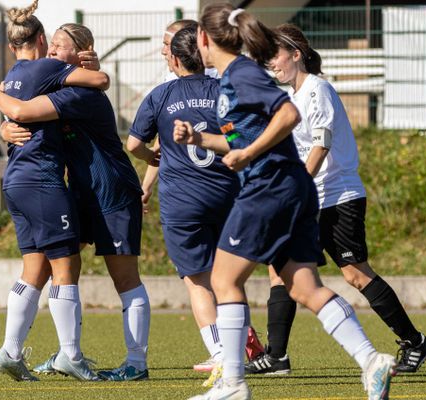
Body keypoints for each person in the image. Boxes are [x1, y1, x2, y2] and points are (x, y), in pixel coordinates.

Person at [175, 4, 396, 400]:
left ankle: (233, 385)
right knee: (304, 287)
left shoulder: (241, 73)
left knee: (224, 280)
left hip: (269, 188)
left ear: (205, 39)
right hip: (289, 188)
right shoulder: (231, 78)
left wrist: (248, 153)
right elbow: (243, 139)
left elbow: (288, 114)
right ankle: (371, 361)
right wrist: (199, 139)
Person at [243, 23, 426, 376]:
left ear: (296, 54)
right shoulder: (289, 98)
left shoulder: (318, 89)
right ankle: (278, 357)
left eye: (275, 55)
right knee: (280, 271)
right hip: (307, 198)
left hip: (336, 196)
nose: (271, 63)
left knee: (355, 274)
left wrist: (294, 188)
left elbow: (321, 145)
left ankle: (416, 342)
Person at [0, 22, 150, 382]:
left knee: (123, 278)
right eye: (52, 45)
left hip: (111, 191)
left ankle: (135, 364)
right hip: (79, 192)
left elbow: (25, 111)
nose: (51, 52)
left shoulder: (78, 94)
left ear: (81, 54)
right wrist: (3, 128)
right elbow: (23, 120)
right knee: (47, 267)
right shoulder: (61, 83)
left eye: (60, 46)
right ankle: (42, 351)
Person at [0, 0, 111, 383]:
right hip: (42, 179)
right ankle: (71, 355)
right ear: (41, 40)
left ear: (12, 47)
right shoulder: (49, 67)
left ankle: (9, 350)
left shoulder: (10, 77)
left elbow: (12, 109)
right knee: (66, 265)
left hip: (15, 180)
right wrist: (85, 66)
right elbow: (100, 82)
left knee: (34, 267)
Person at [128, 24, 240, 388]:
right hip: (227, 195)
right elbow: (239, 139)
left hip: (182, 202)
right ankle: (236, 353)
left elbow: (132, 145)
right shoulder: (225, 89)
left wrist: (154, 155)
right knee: (228, 280)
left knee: (197, 281)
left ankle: (221, 353)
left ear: (175, 58)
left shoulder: (161, 95)